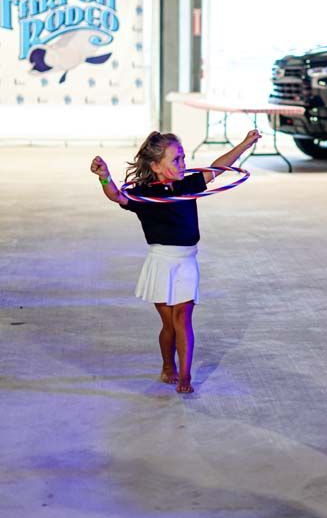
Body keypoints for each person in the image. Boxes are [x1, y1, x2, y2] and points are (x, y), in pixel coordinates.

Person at [90, 128, 261, 394]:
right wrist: (105, 177)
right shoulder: (144, 194)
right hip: (160, 262)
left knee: (183, 318)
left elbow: (218, 168)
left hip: (186, 261)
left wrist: (244, 144)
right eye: (176, 160)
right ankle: (168, 365)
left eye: (183, 158)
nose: (183, 164)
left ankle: (185, 374)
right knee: (168, 324)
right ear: (156, 166)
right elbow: (117, 195)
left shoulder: (187, 184)